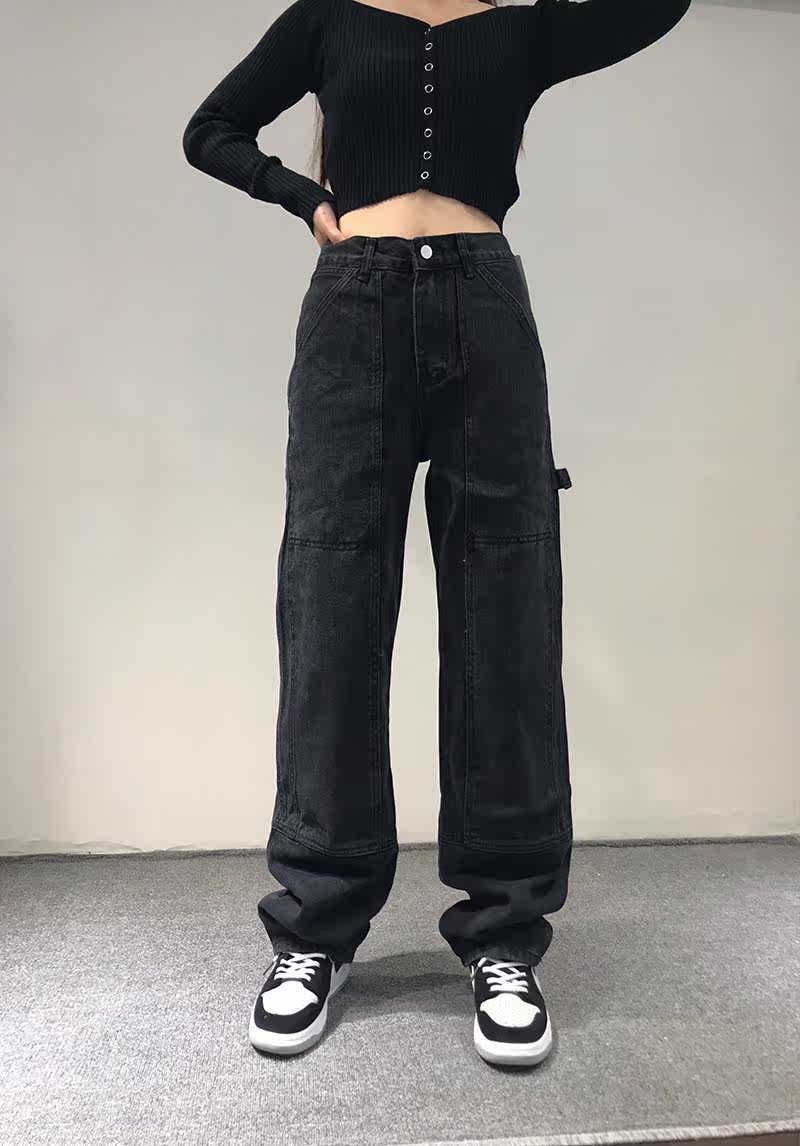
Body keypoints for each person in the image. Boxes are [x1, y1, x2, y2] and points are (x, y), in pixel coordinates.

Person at [182, 0, 691, 1066]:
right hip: (350, 311)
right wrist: (302, 198)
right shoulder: (327, 18)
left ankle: (503, 935)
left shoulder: (522, 29)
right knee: (329, 612)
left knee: (506, 617)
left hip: (485, 308)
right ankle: (315, 928)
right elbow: (212, 128)